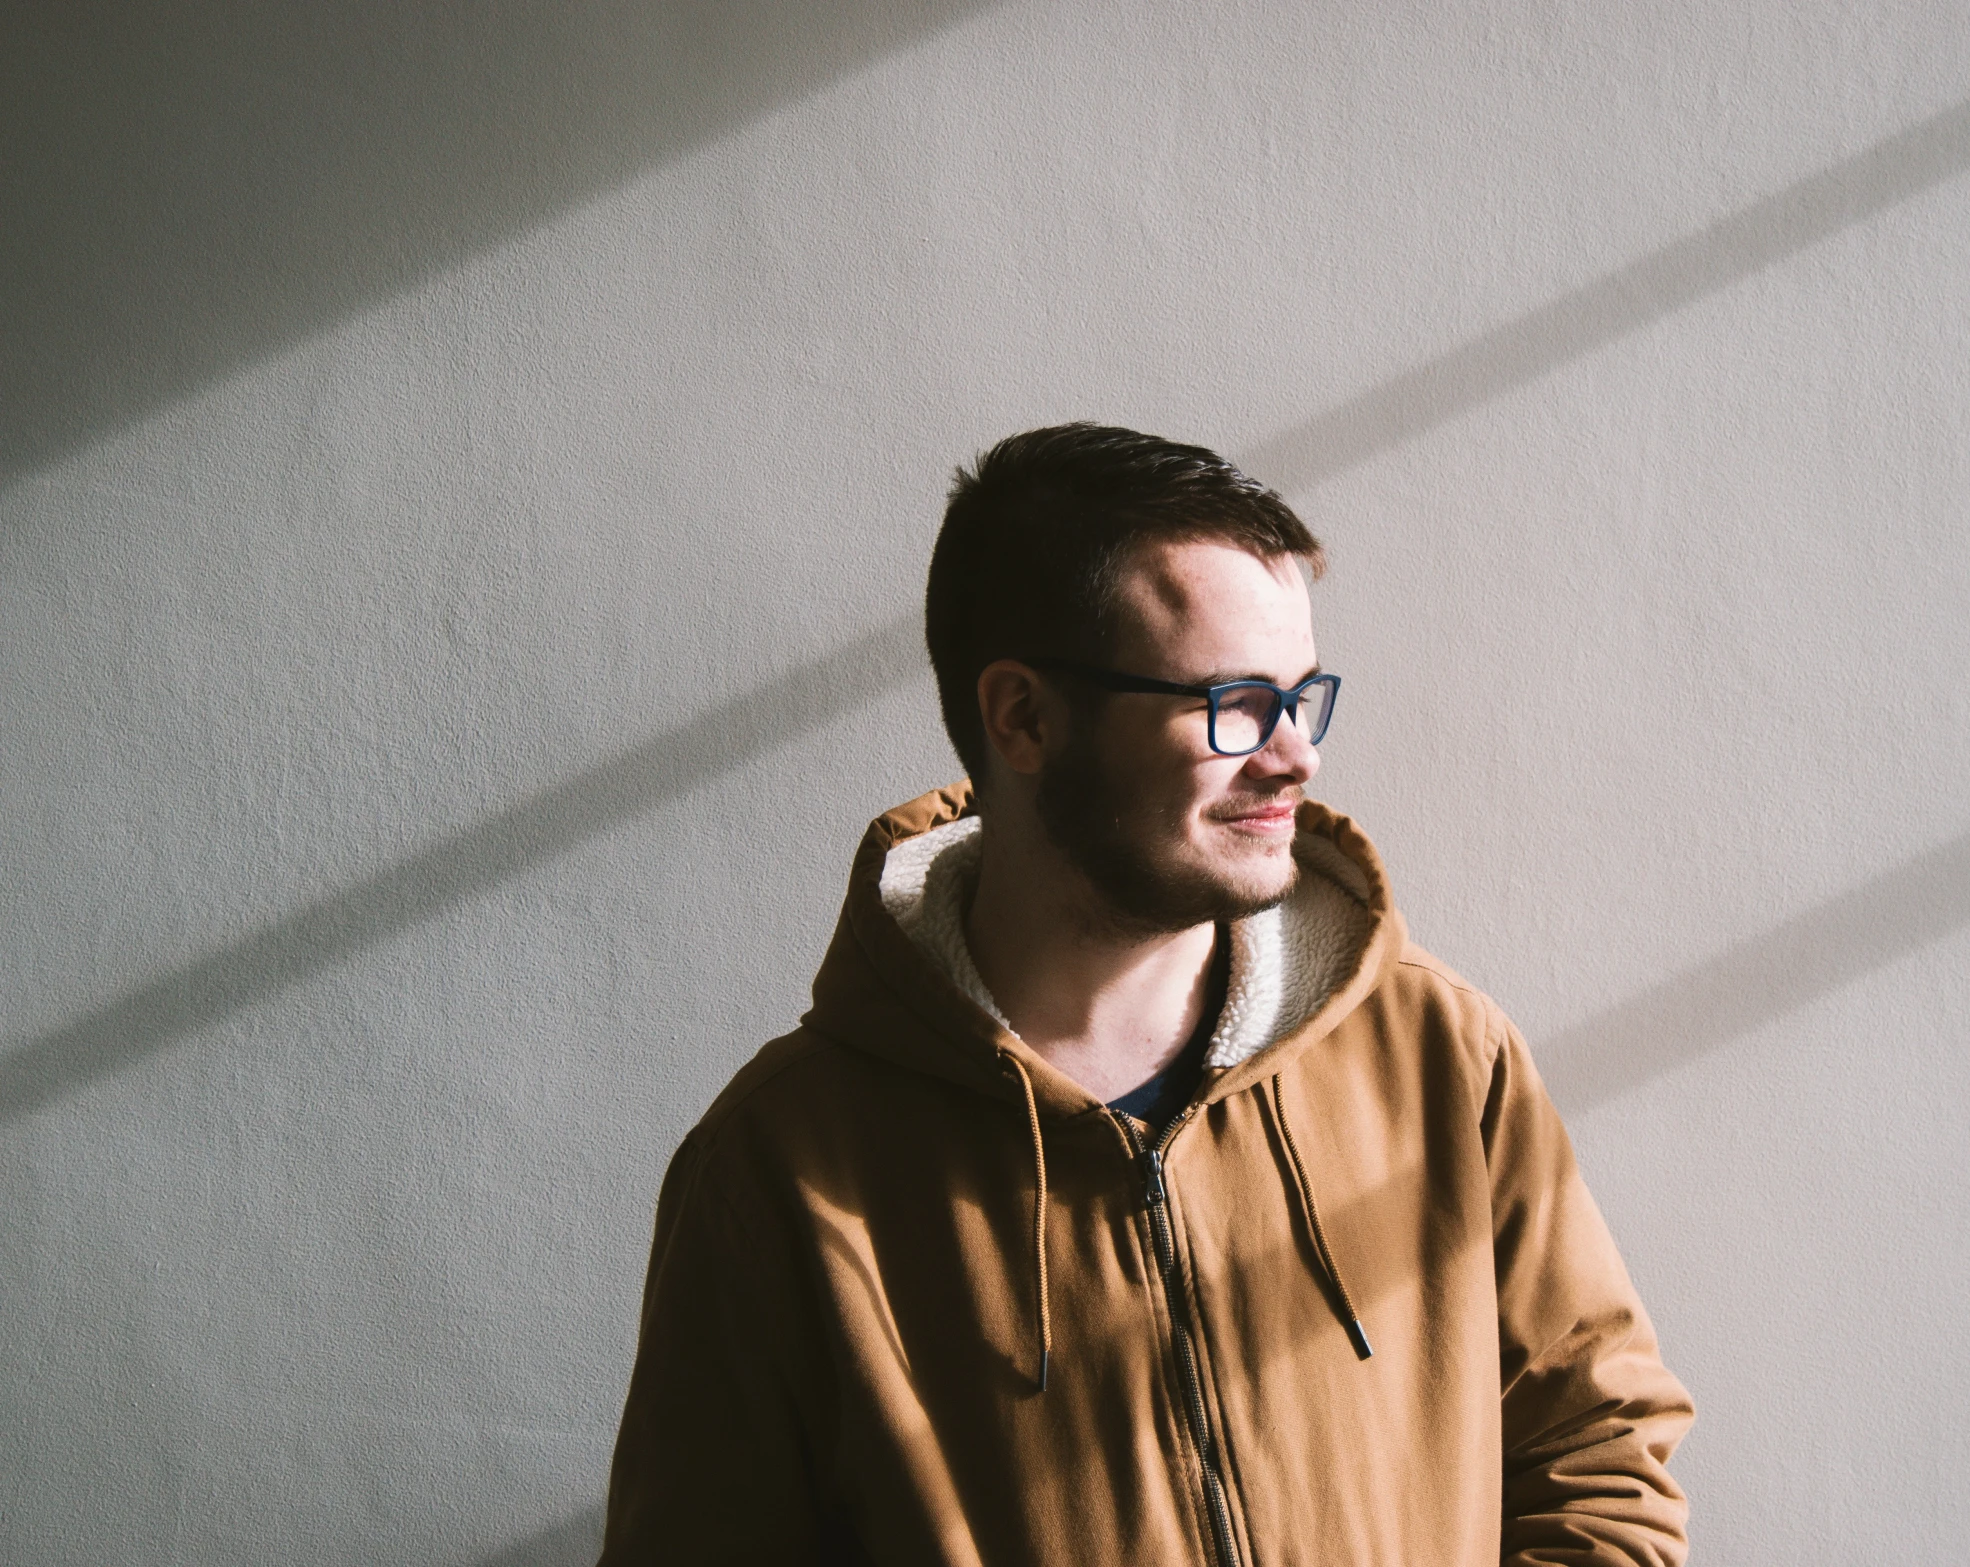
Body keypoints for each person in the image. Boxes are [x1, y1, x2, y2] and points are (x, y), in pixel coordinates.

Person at [597, 423, 1694, 1566]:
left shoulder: (1435, 1052)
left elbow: (1600, 1447)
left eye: (1301, 696)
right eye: (1230, 703)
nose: (1293, 755)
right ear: (1021, 717)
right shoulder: (782, 1172)